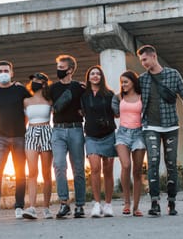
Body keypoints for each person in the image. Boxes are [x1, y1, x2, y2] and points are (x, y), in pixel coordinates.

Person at [137, 45, 183, 216]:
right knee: (153, 162)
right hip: (150, 126)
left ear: (154, 56)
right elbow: (127, 92)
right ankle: (154, 202)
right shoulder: (142, 79)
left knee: (171, 164)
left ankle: (172, 202)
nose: (143, 63)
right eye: (141, 61)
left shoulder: (172, 74)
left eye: (145, 59)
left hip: (171, 125)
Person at [0, 60, 31, 220]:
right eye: (0, 71)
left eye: (6, 70)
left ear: (12, 73)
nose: (3, 73)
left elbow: (30, 108)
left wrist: (22, 127)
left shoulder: (20, 90)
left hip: (19, 137)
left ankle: (19, 207)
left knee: (21, 173)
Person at [49, 54, 86, 218]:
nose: (59, 71)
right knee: (58, 166)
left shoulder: (79, 87)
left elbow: (87, 105)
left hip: (76, 129)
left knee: (78, 169)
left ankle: (79, 205)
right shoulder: (52, 88)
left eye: (62, 68)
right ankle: (64, 204)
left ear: (70, 70)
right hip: (57, 131)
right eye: (58, 68)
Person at [80, 65, 117, 218]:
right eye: (92, 74)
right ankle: (96, 204)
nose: (95, 76)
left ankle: (108, 204)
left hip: (108, 135)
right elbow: (81, 112)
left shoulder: (109, 94)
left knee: (108, 170)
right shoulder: (83, 95)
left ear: (101, 77)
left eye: (98, 74)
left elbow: (116, 113)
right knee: (95, 168)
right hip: (91, 136)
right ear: (88, 77)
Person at [111, 70, 146, 217]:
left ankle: (136, 207)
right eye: (121, 82)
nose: (123, 85)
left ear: (133, 82)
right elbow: (113, 112)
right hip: (122, 134)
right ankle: (126, 202)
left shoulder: (142, 97)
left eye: (126, 82)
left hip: (139, 134)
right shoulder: (118, 97)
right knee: (126, 165)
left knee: (137, 172)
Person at [22, 72, 54, 220]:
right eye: (32, 80)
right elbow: (24, 121)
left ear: (43, 83)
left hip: (47, 132)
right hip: (31, 133)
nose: (34, 82)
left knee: (46, 173)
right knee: (32, 172)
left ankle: (46, 208)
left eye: (36, 80)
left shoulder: (49, 101)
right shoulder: (26, 101)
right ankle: (32, 207)